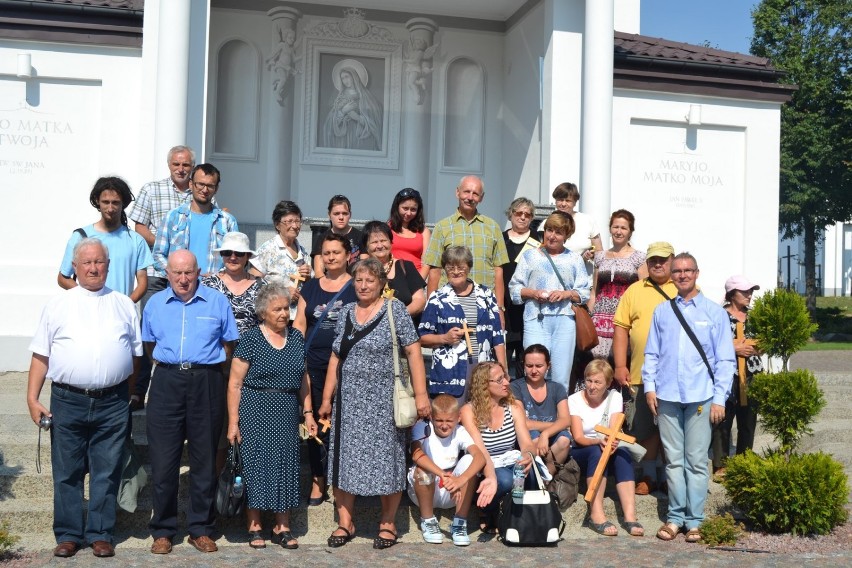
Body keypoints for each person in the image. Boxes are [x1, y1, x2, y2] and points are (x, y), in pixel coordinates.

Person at [27, 239, 141, 558]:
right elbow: (41, 355)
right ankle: (68, 534)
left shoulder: (124, 304)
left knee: (107, 470)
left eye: (99, 262)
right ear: (74, 267)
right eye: (86, 262)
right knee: (67, 471)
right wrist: (32, 398)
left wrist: (128, 393)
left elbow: (135, 358)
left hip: (113, 402)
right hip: (68, 400)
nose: (93, 268)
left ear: (108, 265)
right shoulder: (57, 305)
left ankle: (100, 533)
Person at [318, 258, 429, 550]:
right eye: (358, 280)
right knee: (344, 460)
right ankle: (345, 522)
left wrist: (421, 396)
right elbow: (335, 357)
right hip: (349, 401)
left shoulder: (396, 310)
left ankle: (388, 523)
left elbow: (414, 353)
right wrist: (327, 398)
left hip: (385, 401)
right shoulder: (345, 313)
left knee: (388, 461)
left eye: (369, 280)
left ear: (381, 283)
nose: (363, 285)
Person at [142, 250, 239, 555]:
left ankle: (201, 528)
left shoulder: (217, 302)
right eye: (176, 273)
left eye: (188, 273)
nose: (183, 279)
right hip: (167, 382)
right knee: (163, 461)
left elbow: (229, 344)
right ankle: (163, 530)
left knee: (204, 459)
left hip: (206, 381)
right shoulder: (155, 304)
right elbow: (149, 345)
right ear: (167, 273)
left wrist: (203, 367)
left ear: (199, 272)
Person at [643, 253, 735, 543]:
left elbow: (725, 360)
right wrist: (649, 387)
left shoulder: (714, 313)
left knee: (696, 460)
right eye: (678, 271)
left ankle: (694, 519)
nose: (682, 275)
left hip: (701, 396)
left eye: (688, 270)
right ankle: (675, 517)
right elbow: (652, 353)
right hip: (667, 394)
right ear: (671, 275)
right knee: (673, 461)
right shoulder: (662, 311)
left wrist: (720, 398)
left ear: (697, 273)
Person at [226, 282, 316, 550]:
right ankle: (254, 525)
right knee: (254, 465)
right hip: (255, 409)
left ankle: (283, 526)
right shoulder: (252, 339)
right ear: (263, 312)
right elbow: (234, 383)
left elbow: (304, 379)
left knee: (285, 466)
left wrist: (308, 413)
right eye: (276, 309)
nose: (283, 314)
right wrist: (233, 422)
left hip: (287, 410)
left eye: (286, 308)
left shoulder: (297, 338)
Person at [128, 145, 199, 410]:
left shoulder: (199, 193)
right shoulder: (151, 189)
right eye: (176, 165)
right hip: (159, 272)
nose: (181, 170)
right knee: (150, 330)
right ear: (169, 165)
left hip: (187, 277)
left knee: (185, 330)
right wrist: (165, 245)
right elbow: (139, 226)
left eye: (186, 165)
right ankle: (138, 390)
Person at [292, 232, 357, 507]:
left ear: (348, 256)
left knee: (347, 426)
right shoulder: (311, 287)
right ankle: (318, 480)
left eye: (336, 252)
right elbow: (299, 325)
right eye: (326, 253)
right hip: (314, 366)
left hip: (349, 367)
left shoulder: (357, 286)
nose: (331, 257)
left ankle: (345, 481)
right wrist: (296, 358)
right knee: (315, 425)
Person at [611, 241, 677, 495]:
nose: (658, 264)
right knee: (645, 427)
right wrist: (619, 364)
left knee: (672, 428)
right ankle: (649, 474)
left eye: (663, 260)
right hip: (641, 373)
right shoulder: (634, 290)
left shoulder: (684, 289)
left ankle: (668, 474)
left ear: (672, 260)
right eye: (653, 260)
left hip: (677, 376)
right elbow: (621, 329)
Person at [509, 211, 591, 390]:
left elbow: (584, 292)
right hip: (535, 318)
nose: (552, 236)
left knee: (561, 375)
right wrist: (533, 292)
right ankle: (532, 413)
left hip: (564, 319)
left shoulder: (574, 259)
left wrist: (566, 294)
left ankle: (559, 415)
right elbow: (514, 288)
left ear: (566, 236)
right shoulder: (530, 256)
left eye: (558, 232)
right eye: (549, 230)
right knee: (534, 370)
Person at [419, 246, 507, 400]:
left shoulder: (486, 295)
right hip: (450, 370)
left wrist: (502, 366)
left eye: (461, 267)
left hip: (482, 367)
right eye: (450, 267)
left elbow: (497, 336)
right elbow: (422, 337)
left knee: (481, 417)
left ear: (469, 267)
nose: (455, 271)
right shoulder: (437, 298)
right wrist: (444, 338)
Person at [459, 362, 536, 533]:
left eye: (505, 377)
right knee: (505, 480)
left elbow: (527, 443)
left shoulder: (514, 407)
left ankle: (518, 518)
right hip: (485, 463)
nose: (507, 383)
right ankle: (486, 510)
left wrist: (528, 456)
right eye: (500, 380)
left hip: (510, 458)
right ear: (484, 386)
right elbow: (481, 450)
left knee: (528, 476)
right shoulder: (469, 411)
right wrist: (491, 476)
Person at [568, 359, 642, 537]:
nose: (591, 386)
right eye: (588, 381)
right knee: (596, 450)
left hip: (605, 444)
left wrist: (611, 441)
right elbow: (578, 437)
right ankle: (596, 513)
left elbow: (614, 428)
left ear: (608, 383)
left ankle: (630, 516)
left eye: (597, 382)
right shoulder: (574, 400)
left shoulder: (614, 396)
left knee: (623, 453)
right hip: (582, 449)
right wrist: (597, 442)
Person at [423, 175, 510, 316]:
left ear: (481, 198)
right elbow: (435, 270)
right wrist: (431, 308)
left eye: (475, 193)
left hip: (485, 303)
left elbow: (498, 271)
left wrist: (499, 308)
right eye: (466, 191)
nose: (470, 197)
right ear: (457, 192)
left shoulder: (493, 227)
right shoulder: (442, 227)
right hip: (450, 302)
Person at [58, 176, 152, 302]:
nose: (110, 208)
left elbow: (142, 283)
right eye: (106, 202)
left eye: (115, 202)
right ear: (97, 201)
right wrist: (88, 298)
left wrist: (125, 305)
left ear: (123, 203)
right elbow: (63, 278)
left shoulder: (136, 240)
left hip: (120, 315)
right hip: (87, 312)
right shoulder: (80, 236)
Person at [408, 394, 486, 546]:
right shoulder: (422, 427)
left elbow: (480, 457)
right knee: (424, 470)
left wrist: (460, 480)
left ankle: (459, 523)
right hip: (425, 488)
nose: (444, 425)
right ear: (431, 417)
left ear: (458, 418)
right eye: (439, 420)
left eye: (449, 421)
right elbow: (417, 455)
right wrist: (443, 475)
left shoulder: (460, 431)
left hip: (452, 489)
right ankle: (428, 521)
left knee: (470, 460)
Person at [711, 275, 763, 477]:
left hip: (752, 374)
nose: (749, 295)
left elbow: (764, 342)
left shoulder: (755, 317)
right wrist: (734, 348)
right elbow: (711, 343)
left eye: (751, 291)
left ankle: (744, 461)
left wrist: (753, 348)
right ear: (732, 294)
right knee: (722, 419)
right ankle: (720, 464)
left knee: (748, 420)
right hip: (727, 374)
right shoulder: (718, 315)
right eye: (745, 292)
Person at [152, 163, 238, 278]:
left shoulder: (227, 221)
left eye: (210, 186)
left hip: (215, 289)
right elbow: (158, 255)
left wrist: (219, 276)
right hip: (180, 289)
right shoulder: (173, 217)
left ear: (216, 189)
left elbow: (236, 257)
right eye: (200, 184)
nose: (205, 190)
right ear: (191, 184)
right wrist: (176, 275)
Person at [590, 209, 647, 360]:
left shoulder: (639, 257)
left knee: (620, 361)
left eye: (623, 228)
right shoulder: (600, 256)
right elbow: (595, 291)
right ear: (610, 229)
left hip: (624, 320)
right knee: (597, 365)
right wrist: (590, 317)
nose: (619, 231)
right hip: (599, 321)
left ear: (630, 232)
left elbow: (643, 293)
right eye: (615, 227)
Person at [509, 345, 571, 476]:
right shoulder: (516, 387)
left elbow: (566, 420)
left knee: (564, 440)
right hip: (527, 436)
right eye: (529, 366)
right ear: (523, 365)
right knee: (534, 437)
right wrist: (553, 427)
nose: (534, 370)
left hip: (550, 436)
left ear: (548, 366)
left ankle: (546, 479)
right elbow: (523, 422)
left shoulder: (557, 388)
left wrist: (546, 434)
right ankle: (532, 478)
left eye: (539, 366)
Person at [249, 200, 311, 313]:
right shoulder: (268, 249)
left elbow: (309, 285)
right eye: (289, 222)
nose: (295, 226)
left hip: (299, 316)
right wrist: (281, 293)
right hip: (274, 315)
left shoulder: (303, 252)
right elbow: (253, 282)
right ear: (277, 225)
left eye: (297, 221)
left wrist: (308, 277)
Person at [502, 197, 540, 377]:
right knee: (505, 353)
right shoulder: (501, 239)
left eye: (528, 214)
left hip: (530, 304)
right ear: (511, 214)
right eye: (519, 213)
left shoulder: (539, 241)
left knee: (526, 354)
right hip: (505, 304)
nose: (523, 217)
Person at [362, 220, 426, 321]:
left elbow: (420, 300)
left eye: (383, 241)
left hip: (402, 327)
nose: (379, 246)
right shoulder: (360, 270)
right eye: (374, 242)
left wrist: (396, 316)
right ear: (366, 247)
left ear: (391, 242)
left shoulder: (406, 266)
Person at [202, 232, 264, 336]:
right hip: (217, 348)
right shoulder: (208, 285)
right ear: (222, 254)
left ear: (247, 256)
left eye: (239, 253)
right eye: (227, 253)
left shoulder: (262, 287)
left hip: (252, 349)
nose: (233, 257)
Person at [321, 60, 383, 151]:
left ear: (354, 77)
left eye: (347, 77)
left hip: (362, 142)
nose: (345, 80)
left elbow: (376, 123)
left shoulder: (366, 97)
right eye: (342, 78)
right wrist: (343, 112)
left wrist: (358, 118)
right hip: (343, 141)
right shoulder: (340, 98)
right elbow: (329, 124)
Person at [551, 182, 603, 270]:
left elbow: (600, 253)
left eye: (568, 201)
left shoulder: (588, 221)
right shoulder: (547, 223)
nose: (563, 204)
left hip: (584, 280)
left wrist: (591, 255)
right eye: (560, 200)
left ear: (575, 203)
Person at [310, 195, 363, 275]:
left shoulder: (360, 236)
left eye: (345, 213)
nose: (341, 217)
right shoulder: (322, 238)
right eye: (336, 213)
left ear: (350, 215)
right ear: (329, 215)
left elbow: (365, 267)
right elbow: (318, 272)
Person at [388, 187, 431, 279]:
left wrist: (419, 282)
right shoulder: (386, 228)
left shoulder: (424, 231)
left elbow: (426, 262)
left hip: (416, 278)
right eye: (405, 208)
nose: (408, 213)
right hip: (391, 277)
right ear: (397, 207)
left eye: (413, 209)